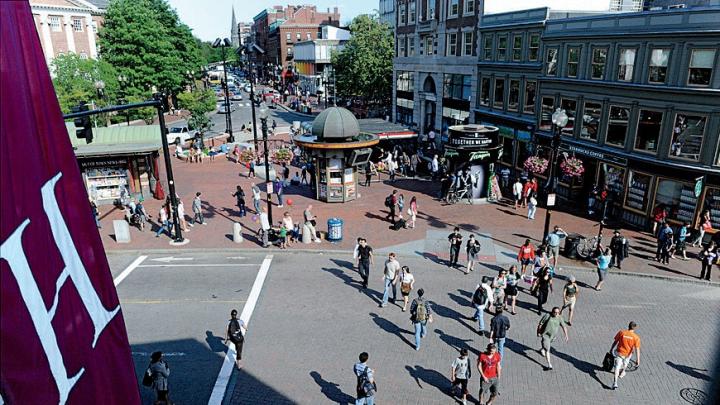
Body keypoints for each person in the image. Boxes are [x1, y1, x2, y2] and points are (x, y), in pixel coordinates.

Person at [609, 321, 641, 390]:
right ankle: (622, 372)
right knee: (625, 363)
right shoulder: (636, 337)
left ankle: (615, 382)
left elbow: (615, 341)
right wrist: (638, 360)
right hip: (628, 354)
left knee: (617, 367)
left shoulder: (622, 332)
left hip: (619, 353)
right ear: (634, 328)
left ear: (628, 326)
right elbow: (637, 350)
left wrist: (611, 349)